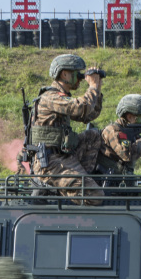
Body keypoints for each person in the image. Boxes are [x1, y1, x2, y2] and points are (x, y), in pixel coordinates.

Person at [28, 53, 104, 205]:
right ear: (64, 74)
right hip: (50, 163)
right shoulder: (50, 97)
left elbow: (88, 115)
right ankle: (59, 187)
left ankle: (80, 180)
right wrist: (93, 87)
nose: (80, 78)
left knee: (93, 136)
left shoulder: (62, 97)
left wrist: (97, 89)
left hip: (64, 156)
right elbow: (80, 107)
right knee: (96, 196)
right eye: (76, 74)